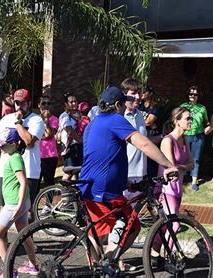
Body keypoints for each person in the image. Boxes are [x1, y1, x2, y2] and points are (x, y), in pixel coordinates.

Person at [78, 86, 178, 260]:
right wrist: (168, 165)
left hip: (90, 186)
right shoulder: (115, 119)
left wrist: (124, 183)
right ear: (118, 105)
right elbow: (143, 144)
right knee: (131, 226)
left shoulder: (93, 124)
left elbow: (103, 157)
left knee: (98, 233)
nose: (125, 108)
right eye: (124, 104)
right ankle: (108, 264)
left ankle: (98, 268)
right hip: (104, 191)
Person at [0, 128, 38, 277]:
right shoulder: (13, 156)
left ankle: (9, 271)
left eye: (4, 144)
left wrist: (18, 207)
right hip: (20, 203)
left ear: (15, 144)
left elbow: (23, 182)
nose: (1, 147)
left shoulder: (15, 158)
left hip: (14, 204)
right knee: (23, 234)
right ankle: (33, 265)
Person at [0, 88, 44, 214]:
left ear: (29, 103)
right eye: (17, 103)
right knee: (5, 212)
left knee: (27, 212)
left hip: (29, 171)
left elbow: (29, 141)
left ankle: (27, 234)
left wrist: (18, 122)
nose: (19, 106)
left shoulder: (36, 120)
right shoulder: (5, 119)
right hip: (5, 171)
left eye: (22, 103)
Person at [154, 107, 193, 247]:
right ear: (177, 121)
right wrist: (181, 167)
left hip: (177, 189)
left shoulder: (185, 140)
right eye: (187, 118)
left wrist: (181, 167)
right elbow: (171, 168)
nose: (190, 121)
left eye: (191, 118)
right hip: (165, 189)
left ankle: (155, 255)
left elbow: (191, 165)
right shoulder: (167, 141)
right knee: (174, 225)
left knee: (165, 226)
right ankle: (169, 258)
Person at [120, 79, 147, 201]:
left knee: (134, 213)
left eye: (139, 93)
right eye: (133, 93)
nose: (137, 97)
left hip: (140, 172)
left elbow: (143, 141)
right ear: (124, 95)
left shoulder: (140, 114)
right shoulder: (119, 116)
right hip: (125, 174)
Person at [180, 86, 210, 192]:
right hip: (186, 135)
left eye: (195, 94)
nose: (193, 96)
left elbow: (206, 122)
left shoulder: (202, 108)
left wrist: (208, 128)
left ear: (198, 96)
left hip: (198, 136)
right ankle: (182, 178)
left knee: (196, 159)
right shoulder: (183, 106)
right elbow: (177, 120)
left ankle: (194, 181)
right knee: (183, 157)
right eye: (191, 94)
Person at [37, 95, 59, 216]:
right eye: (43, 103)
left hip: (50, 155)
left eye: (48, 103)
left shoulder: (55, 119)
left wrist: (46, 122)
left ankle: (48, 205)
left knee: (49, 181)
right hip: (37, 155)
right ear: (39, 105)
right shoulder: (34, 119)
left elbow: (49, 135)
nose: (46, 106)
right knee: (36, 181)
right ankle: (33, 205)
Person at [59, 92, 83, 180]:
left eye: (75, 101)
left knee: (76, 171)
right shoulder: (64, 116)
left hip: (78, 146)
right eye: (71, 102)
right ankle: (61, 191)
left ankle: (73, 191)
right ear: (66, 104)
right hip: (69, 147)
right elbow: (69, 131)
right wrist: (81, 140)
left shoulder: (79, 115)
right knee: (69, 171)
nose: (74, 103)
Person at [139, 85, 161, 177]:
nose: (142, 93)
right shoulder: (140, 105)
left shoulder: (155, 107)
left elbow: (148, 122)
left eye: (145, 91)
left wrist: (141, 121)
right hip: (143, 134)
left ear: (150, 93)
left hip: (152, 135)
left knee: (151, 159)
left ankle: (152, 179)